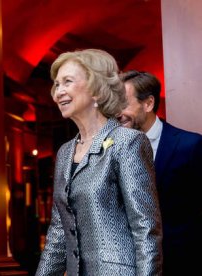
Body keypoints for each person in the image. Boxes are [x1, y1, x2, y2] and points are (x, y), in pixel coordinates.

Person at [35, 49, 163, 276]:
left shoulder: (127, 142)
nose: (58, 93)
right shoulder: (65, 152)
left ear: (96, 90)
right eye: (56, 85)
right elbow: (58, 231)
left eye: (67, 82)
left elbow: (146, 229)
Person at [118, 70, 202, 276]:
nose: (117, 112)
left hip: (182, 264)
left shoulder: (190, 145)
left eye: (124, 104)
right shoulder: (112, 150)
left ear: (148, 103)